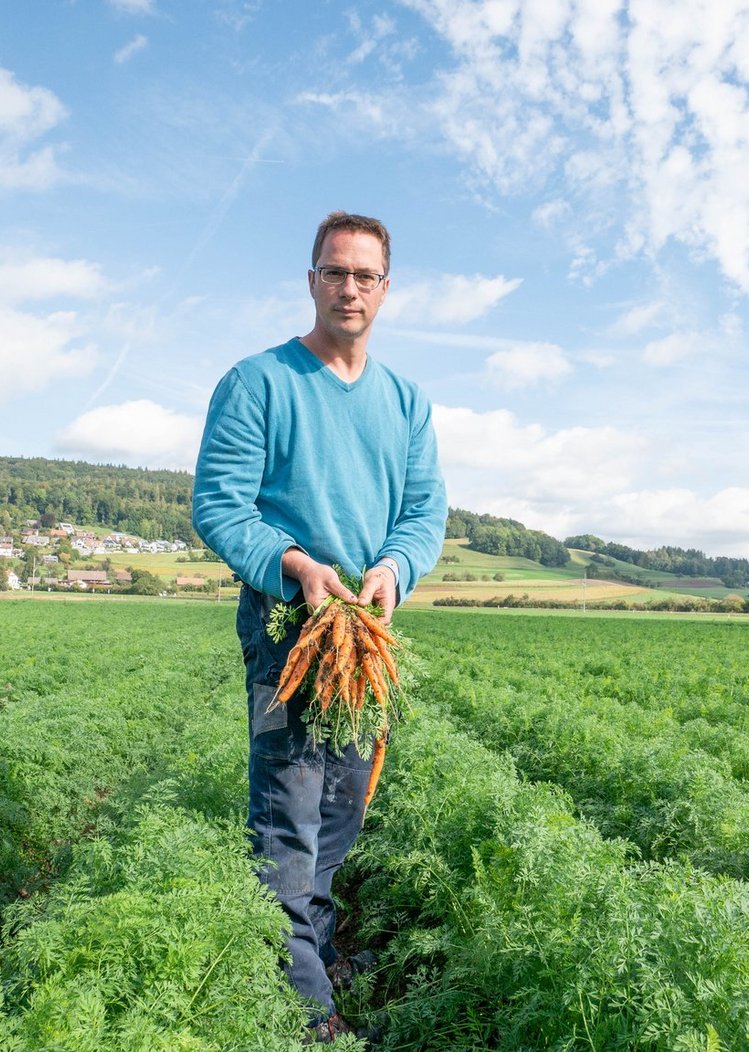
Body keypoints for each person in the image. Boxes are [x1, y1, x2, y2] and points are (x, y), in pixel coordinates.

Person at [192, 211, 446, 1039]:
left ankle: (315, 951)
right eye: (335, 272)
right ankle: (304, 1013)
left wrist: (392, 570)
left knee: (341, 804)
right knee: (287, 812)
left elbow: (422, 512)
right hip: (286, 635)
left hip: (360, 643)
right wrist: (297, 566)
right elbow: (220, 505)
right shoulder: (258, 382)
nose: (349, 288)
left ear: (385, 289)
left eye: (364, 275)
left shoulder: (405, 401)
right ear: (311, 280)